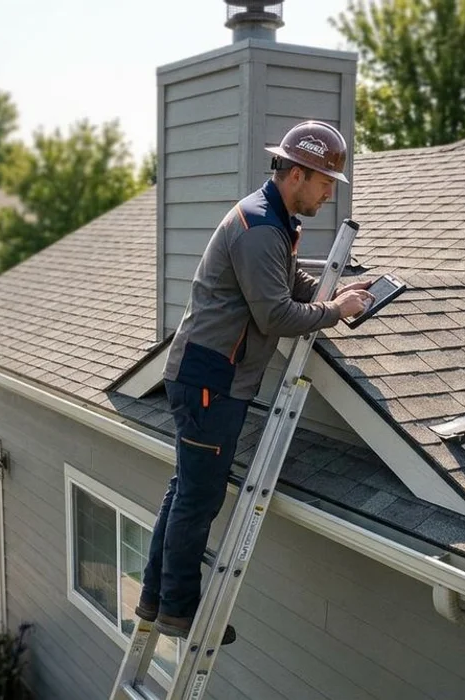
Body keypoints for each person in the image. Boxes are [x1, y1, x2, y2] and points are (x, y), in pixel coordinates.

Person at [136, 121, 374, 643]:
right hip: (210, 381)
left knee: (185, 494)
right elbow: (275, 315)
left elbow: (287, 283)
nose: (330, 192)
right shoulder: (262, 227)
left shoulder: (275, 221)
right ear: (295, 174)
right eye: (325, 182)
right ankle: (180, 612)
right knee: (198, 501)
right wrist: (334, 311)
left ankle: (155, 600)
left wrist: (337, 290)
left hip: (209, 376)